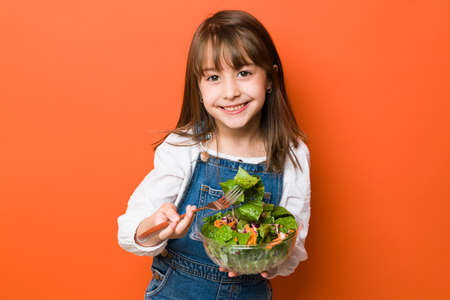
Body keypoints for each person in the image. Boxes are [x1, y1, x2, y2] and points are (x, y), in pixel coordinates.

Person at [117, 10, 311, 300]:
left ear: (269, 78)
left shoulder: (291, 153)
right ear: (198, 86)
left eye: (244, 73)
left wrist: (267, 259)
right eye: (213, 77)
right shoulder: (184, 147)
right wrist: (159, 227)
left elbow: (292, 244)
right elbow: (131, 232)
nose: (231, 92)